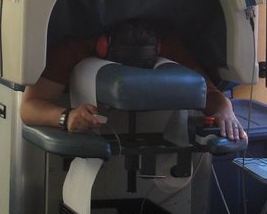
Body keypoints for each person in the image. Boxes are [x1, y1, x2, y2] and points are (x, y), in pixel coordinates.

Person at [20, 21, 248, 141]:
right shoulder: (74, 47)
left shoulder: (168, 44)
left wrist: (225, 110)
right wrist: (66, 117)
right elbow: (29, 108)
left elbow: (209, 93)